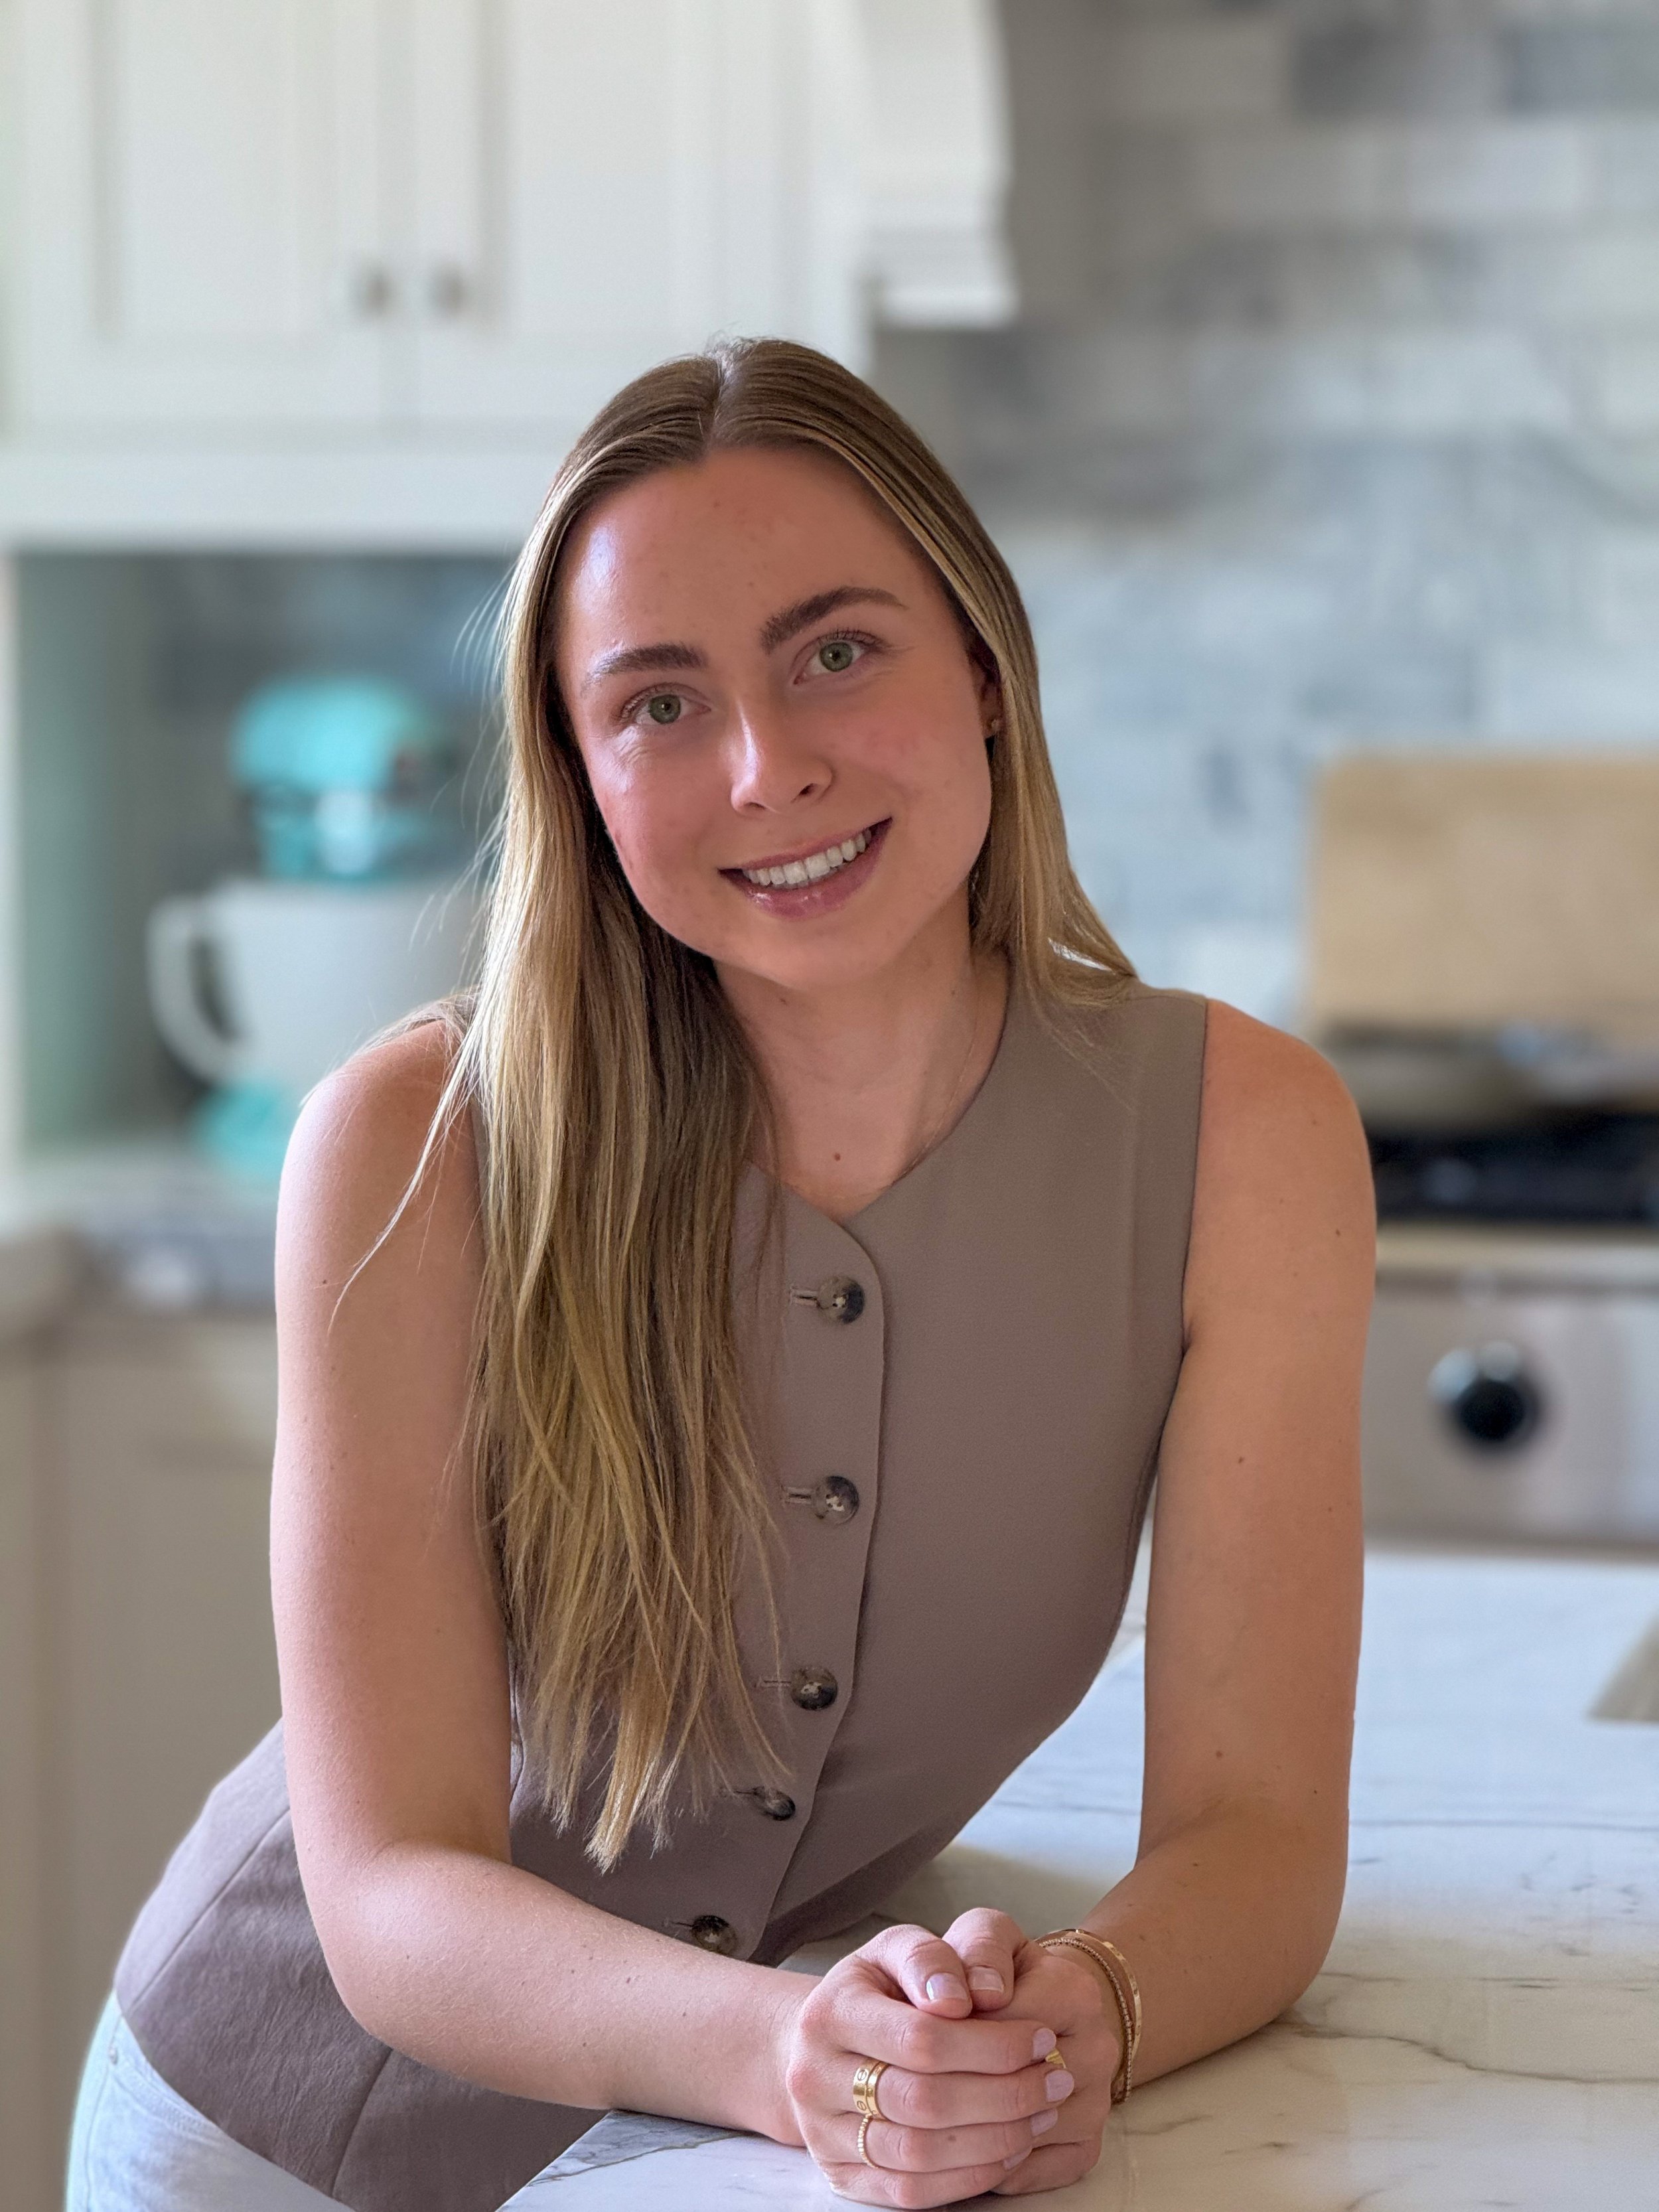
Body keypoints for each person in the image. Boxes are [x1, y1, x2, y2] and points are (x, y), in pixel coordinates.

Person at [68, 337, 1374, 2212]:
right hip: (275, 2148)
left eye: (838, 650)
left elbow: (1254, 1836)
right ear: (581, 778)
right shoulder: (415, 1148)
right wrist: (785, 2048)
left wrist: (1080, 2011)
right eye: (659, 705)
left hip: (741, 2150)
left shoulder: (1243, 1142)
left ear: (985, 671)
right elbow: (386, 1894)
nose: (770, 768)